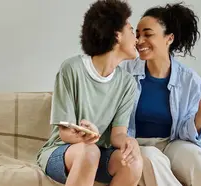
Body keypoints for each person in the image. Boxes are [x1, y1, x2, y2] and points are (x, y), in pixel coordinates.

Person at [119, 2, 201, 186]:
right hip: (138, 144)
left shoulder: (189, 80)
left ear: (169, 38)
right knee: (150, 157)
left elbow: (186, 133)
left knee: (197, 158)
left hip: (173, 142)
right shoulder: (125, 72)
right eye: (137, 35)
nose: (139, 41)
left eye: (148, 34)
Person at [36, 0, 142, 185]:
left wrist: (129, 143)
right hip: (61, 151)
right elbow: (65, 133)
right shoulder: (72, 69)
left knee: (132, 163)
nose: (137, 39)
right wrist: (86, 136)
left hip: (99, 153)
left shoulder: (127, 83)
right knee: (89, 151)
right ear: (117, 35)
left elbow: (118, 134)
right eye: (132, 31)